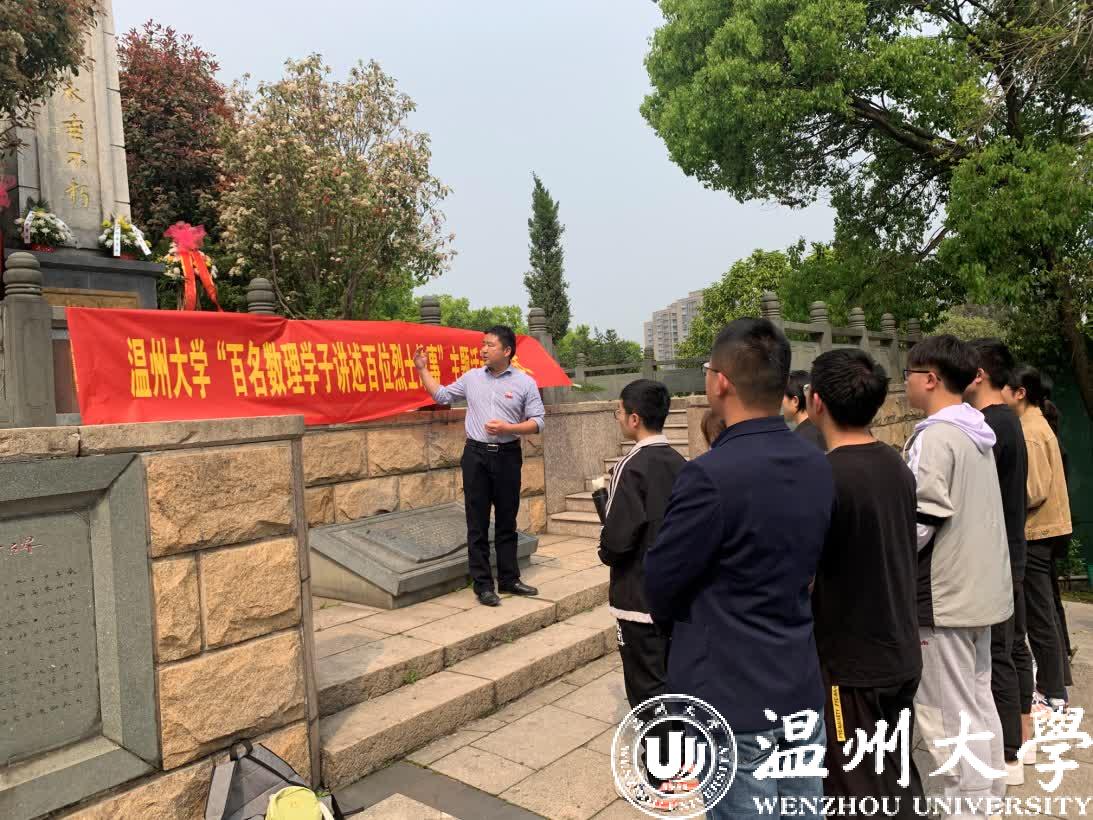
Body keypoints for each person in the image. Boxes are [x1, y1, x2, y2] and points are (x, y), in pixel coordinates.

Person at [645, 318, 835, 820]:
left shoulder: (708, 476)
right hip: (797, 681)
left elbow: (660, 584)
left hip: (731, 696)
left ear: (721, 382)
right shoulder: (817, 462)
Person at [806, 349, 923, 814]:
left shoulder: (824, 477)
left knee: (854, 786)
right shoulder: (895, 465)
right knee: (895, 771)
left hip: (851, 667)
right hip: (900, 650)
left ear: (816, 401)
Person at [903, 335, 1012, 813]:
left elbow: (921, 519)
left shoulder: (935, 437)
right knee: (978, 703)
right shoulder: (976, 430)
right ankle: (987, 800)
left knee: (946, 718)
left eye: (908, 374)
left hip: (943, 598)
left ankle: (964, 807)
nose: (904, 382)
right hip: (980, 595)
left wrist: (891, 557)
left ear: (930, 378)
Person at [597, 379, 686, 802]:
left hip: (638, 598)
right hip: (676, 596)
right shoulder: (681, 462)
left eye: (619, 411)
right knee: (673, 682)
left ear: (634, 418)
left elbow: (617, 541)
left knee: (647, 688)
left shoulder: (631, 466)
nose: (618, 418)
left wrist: (605, 545)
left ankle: (662, 777)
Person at [414, 326, 545, 607]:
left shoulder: (525, 382)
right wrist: (422, 370)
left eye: (490, 345)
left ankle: (509, 579)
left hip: (508, 455)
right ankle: (483, 585)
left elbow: (538, 422)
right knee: (477, 521)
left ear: (507, 351)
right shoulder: (472, 378)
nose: (483, 350)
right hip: (476, 456)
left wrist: (509, 428)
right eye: (483, 344)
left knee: (507, 519)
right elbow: (442, 396)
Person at [965, 338, 1032, 783]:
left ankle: (1007, 754)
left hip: (998, 553)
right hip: (1008, 549)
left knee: (998, 652)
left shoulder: (991, 426)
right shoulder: (1005, 420)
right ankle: (1015, 743)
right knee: (1009, 647)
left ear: (979, 375)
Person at [1004, 364, 1073, 713]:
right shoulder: (1036, 424)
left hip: (1036, 532)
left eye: (1004, 387)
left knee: (1038, 614)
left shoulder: (1029, 432)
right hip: (1048, 530)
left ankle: (1051, 690)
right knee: (1046, 610)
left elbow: (1033, 491)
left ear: (1020, 393)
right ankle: (1056, 684)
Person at [784, 369, 827, 450]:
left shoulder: (797, 439)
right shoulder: (823, 431)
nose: (782, 403)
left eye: (783, 397)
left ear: (795, 401)